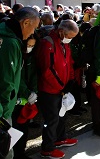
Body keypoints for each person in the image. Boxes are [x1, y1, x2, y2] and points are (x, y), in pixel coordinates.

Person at [0, 7, 40, 159]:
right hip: (3, 111)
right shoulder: (10, 43)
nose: (32, 33)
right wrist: (4, 113)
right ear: (26, 22)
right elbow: (6, 81)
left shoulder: (7, 36)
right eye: (33, 28)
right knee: (5, 151)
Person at [37, 19, 79, 159]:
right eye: (70, 37)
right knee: (51, 119)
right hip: (50, 90)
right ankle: (47, 148)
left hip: (62, 88)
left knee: (62, 115)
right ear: (61, 32)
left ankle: (60, 138)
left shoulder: (64, 43)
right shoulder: (47, 43)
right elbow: (47, 70)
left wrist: (71, 80)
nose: (71, 40)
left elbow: (69, 62)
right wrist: (61, 86)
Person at [12, 35, 38, 159]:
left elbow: (34, 75)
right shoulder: (16, 55)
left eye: (32, 46)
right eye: (28, 45)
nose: (30, 48)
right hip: (16, 98)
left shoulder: (31, 58)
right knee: (14, 128)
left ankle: (21, 153)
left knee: (24, 128)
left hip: (27, 99)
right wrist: (27, 93)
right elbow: (17, 78)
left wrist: (34, 91)